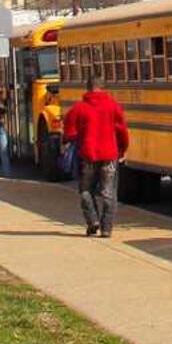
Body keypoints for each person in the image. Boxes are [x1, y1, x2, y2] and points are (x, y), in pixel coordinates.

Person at [62, 74, 128, 238]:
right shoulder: (113, 106)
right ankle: (106, 228)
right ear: (103, 87)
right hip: (110, 155)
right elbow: (122, 130)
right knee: (109, 193)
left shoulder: (79, 108)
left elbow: (69, 132)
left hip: (88, 155)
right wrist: (122, 148)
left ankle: (93, 221)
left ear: (87, 87)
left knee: (85, 190)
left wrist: (69, 140)